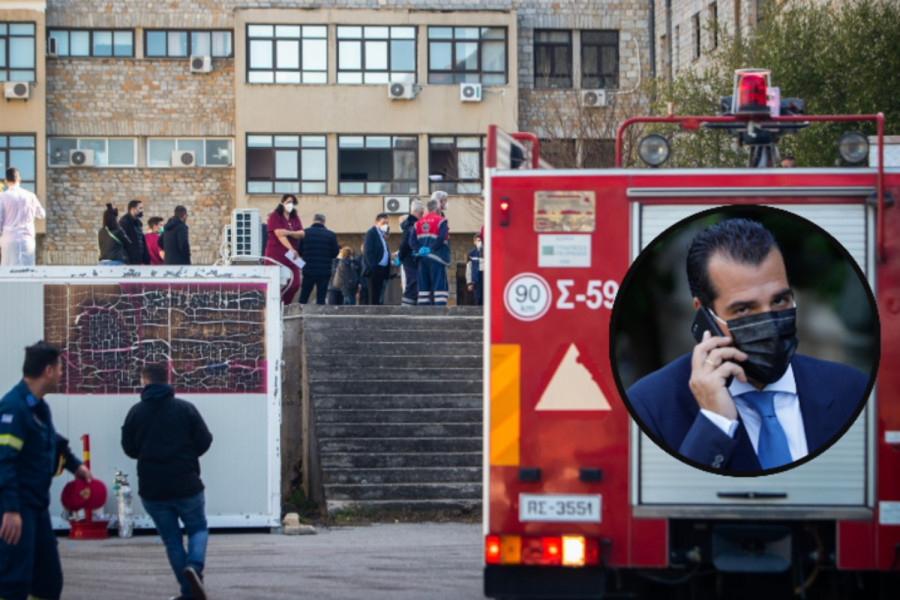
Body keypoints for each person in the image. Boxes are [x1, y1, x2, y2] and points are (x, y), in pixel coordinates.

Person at [626, 218, 868, 473]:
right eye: (743, 309)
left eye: (779, 301)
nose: (771, 325)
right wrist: (714, 423)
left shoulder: (853, 391)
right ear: (704, 314)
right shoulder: (649, 407)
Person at [0, 341, 93, 600]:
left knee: (48, 581)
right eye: (61, 368)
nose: (63, 374)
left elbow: (53, 441)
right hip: (17, 509)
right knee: (14, 581)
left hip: (37, 508)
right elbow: (3, 461)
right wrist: (10, 509)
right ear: (48, 371)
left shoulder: (38, 408)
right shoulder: (14, 409)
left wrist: (75, 466)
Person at [121, 363, 213, 600]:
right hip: (186, 483)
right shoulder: (185, 409)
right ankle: (194, 566)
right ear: (168, 379)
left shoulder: (135, 412)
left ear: (145, 382)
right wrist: (187, 454)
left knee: (172, 540)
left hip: (153, 489)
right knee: (198, 528)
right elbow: (205, 440)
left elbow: (129, 449)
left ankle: (188, 592)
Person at [264, 194, 305, 304]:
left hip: (292, 255)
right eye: (288, 202)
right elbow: (279, 234)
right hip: (276, 254)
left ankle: (285, 304)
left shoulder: (294, 217)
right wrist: (291, 248)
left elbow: (302, 233)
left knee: (295, 283)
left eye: (293, 202)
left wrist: (290, 232)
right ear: (282, 202)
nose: (290, 205)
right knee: (276, 283)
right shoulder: (275, 216)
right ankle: (277, 304)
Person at [0, 167, 45, 266]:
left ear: (5, 181)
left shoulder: (2, 197)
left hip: (9, 239)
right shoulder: (30, 196)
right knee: (28, 273)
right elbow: (41, 214)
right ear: (19, 179)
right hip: (27, 239)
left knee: (8, 273)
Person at [410, 198, 450, 306]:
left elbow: (412, 241)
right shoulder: (441, 221)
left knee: (423, 289)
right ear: (437, 208)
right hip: (437, 258)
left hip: (422, 259)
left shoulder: (418, 223)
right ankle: (439, 313)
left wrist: (419, 249)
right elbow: (442, 238)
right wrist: (431, 249)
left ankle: (423, 313)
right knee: (439, 288)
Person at [297, 213, 340, 305]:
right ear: (324, 222)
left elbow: (299, 251)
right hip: (324, 270)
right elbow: (335, 253)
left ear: (313, 221)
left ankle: (300, 312)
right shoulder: (331, 235)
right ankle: (320, 314)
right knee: (321, 296)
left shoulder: (305, 233)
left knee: (305, 294)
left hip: (309, 269)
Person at [398, 199, 424, 306]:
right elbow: (405, 243)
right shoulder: (412, 225)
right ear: (419, 211)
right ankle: (406, 308)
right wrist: (401, 256)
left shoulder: (410, 224)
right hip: (411, 258)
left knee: (413, 283)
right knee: (412, 283)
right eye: (422, 210)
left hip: (410, 257)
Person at [361, 213, 391, 305]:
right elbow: (368, 252)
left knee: (378, 295)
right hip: (374, 269)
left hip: (382, 269)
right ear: (377, 222)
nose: (385, 225)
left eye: (387, 223)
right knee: (373, 295)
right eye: (383, 223)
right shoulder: (371, 233)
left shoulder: (381, 235)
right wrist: (373, 267)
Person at [119, 199, 150, 265]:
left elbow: (141, 240)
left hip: (138, 259)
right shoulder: (124, 222)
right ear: (133, 209)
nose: (142, 210)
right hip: (130, 259)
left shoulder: (138, 223)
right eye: (140, 208)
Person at [466, 233, 484, 306]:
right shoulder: (471, 253)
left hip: (487, 277)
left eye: (482, 241)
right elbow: (469, 269)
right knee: (478, 298)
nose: (480, 242)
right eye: (478, 240)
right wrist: (469, 283)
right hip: (477, 278)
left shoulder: (489, 252)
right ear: (474, 242)